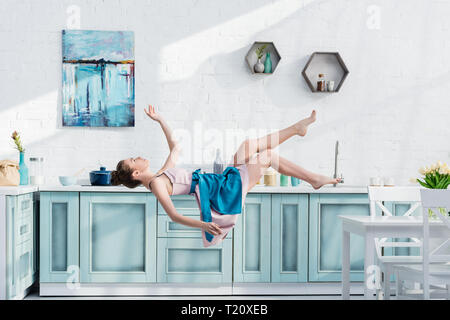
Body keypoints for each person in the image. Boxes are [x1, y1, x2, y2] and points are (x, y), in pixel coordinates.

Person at [111, 105, 341, 247]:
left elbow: (175, 147)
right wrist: (204, 224)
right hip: (223, 191)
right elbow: (174, 216)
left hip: (220, 183)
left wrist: (160, 120)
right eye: (133, 159)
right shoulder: (157, 185)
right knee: (267, 155)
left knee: (249, 145)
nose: (138, 156)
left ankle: (297, 128)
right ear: (136, 172)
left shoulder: (160, 175)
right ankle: (315, 179)